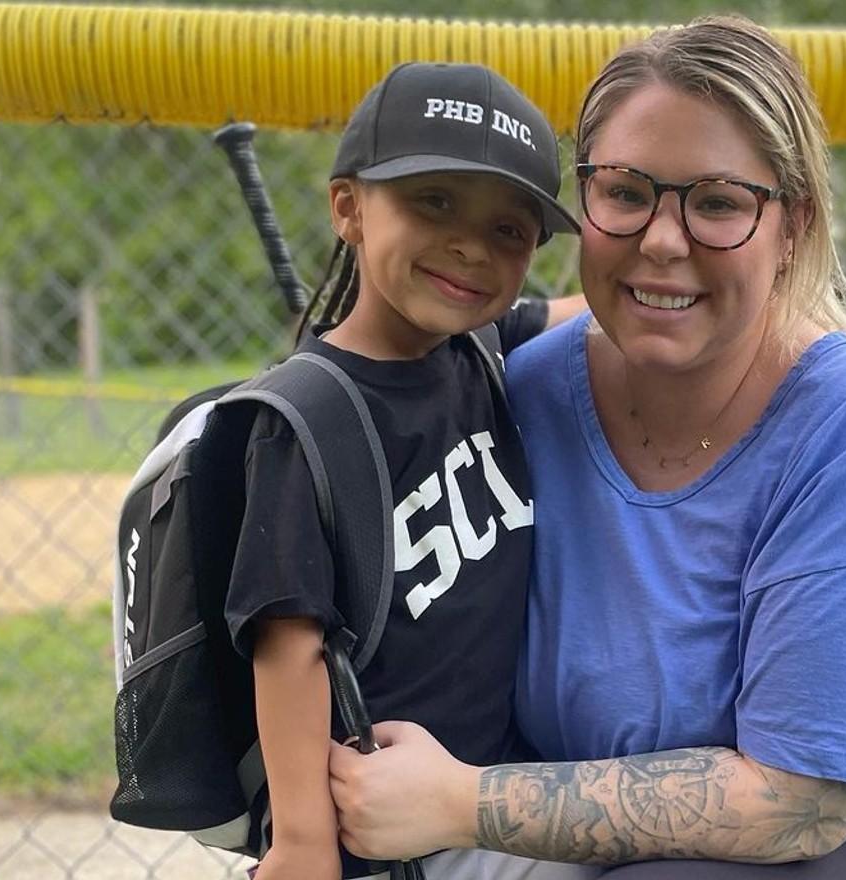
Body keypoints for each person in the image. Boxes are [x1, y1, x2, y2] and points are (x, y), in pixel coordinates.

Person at [326, 17, 846, 880]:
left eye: (719, 202)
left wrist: (456, 802)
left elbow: (802, 803)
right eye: (625, 192)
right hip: (584, 850)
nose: (663, 238)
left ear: (792, 226)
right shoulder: (524, 391)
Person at [226, 61, 594, 880]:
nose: (471, 243)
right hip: (390, 835)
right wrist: (303, 846)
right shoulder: (307, 417)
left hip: (485, 790)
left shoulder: (483, 350)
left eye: (510, 231)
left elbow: (588, 306)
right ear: (348, 207)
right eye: (434, 202)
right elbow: (288, 643)